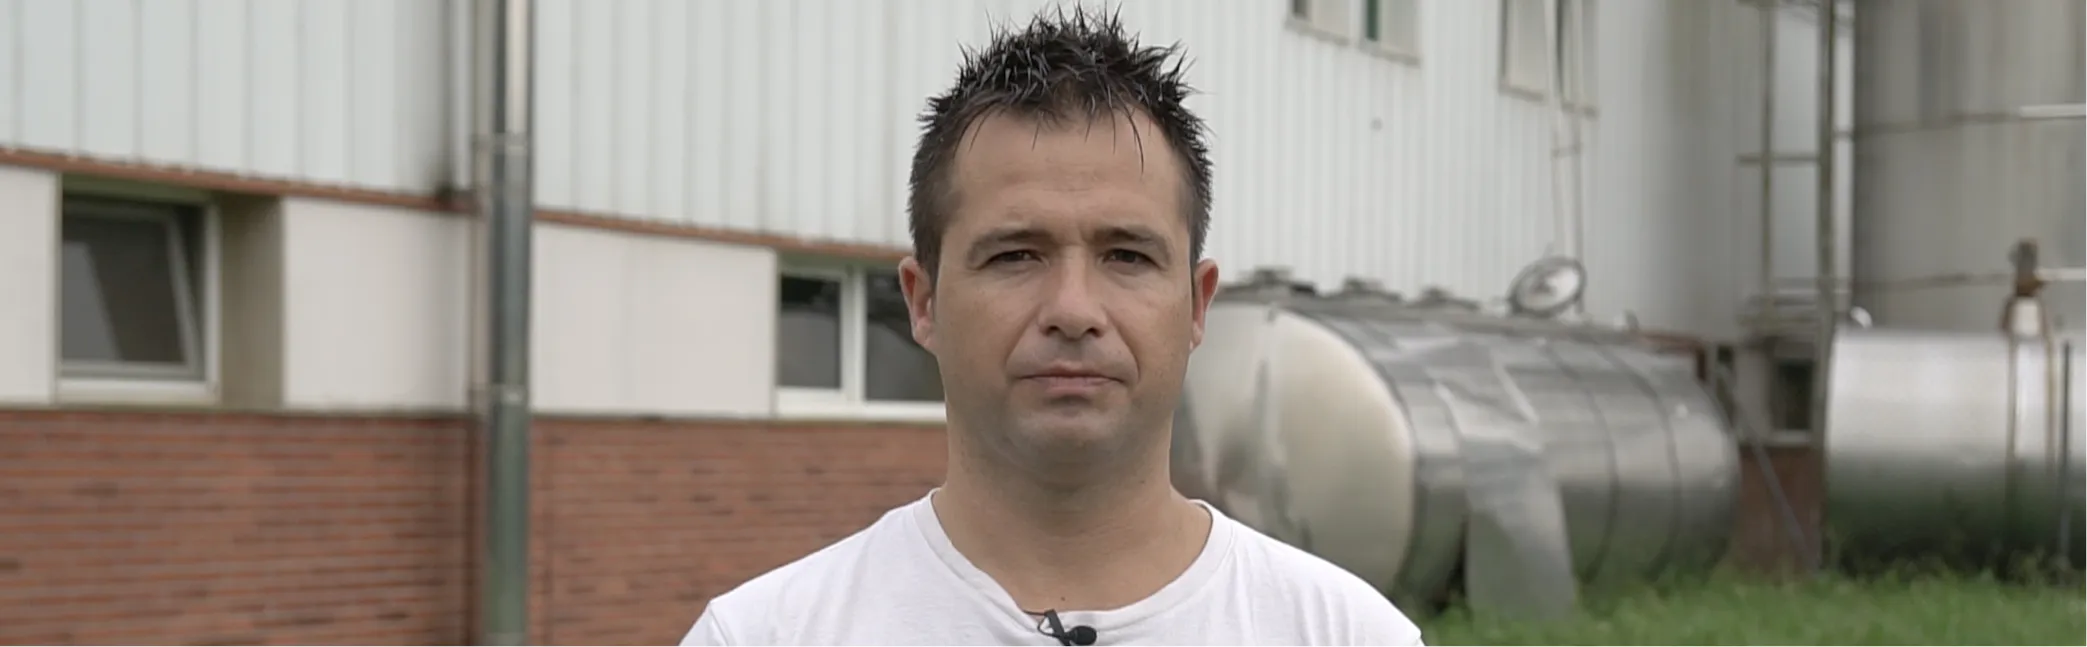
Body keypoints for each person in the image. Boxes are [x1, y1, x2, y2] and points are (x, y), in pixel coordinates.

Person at [681, 6, 1424, 646]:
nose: (1073, 309)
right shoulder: (763, 634)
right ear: (923, 301)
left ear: (1197, 305)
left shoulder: (1347, 634)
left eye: (1126, 255)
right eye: (1015, 255)